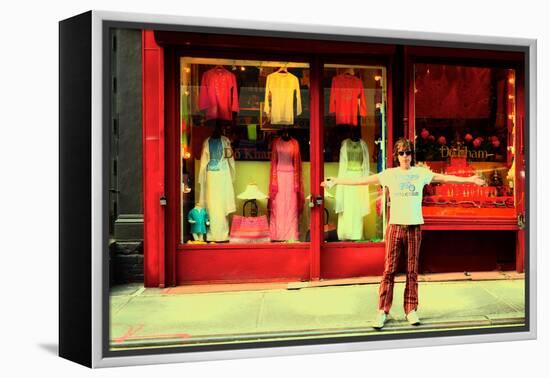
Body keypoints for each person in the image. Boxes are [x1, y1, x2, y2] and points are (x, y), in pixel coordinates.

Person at [321, 138, 486, 329]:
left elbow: (445, 178)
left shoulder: (420, 173)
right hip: (395, 227)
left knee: (412, 271)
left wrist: (471, 180)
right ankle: (382, 311)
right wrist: (337, 181)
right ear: (396, 156)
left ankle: (410, 310)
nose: (405, 156)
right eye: (401, 153)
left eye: (408, 153)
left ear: (411, 155)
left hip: (414, 226)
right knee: (389, 271)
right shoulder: (390, 175)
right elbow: (362, 180)